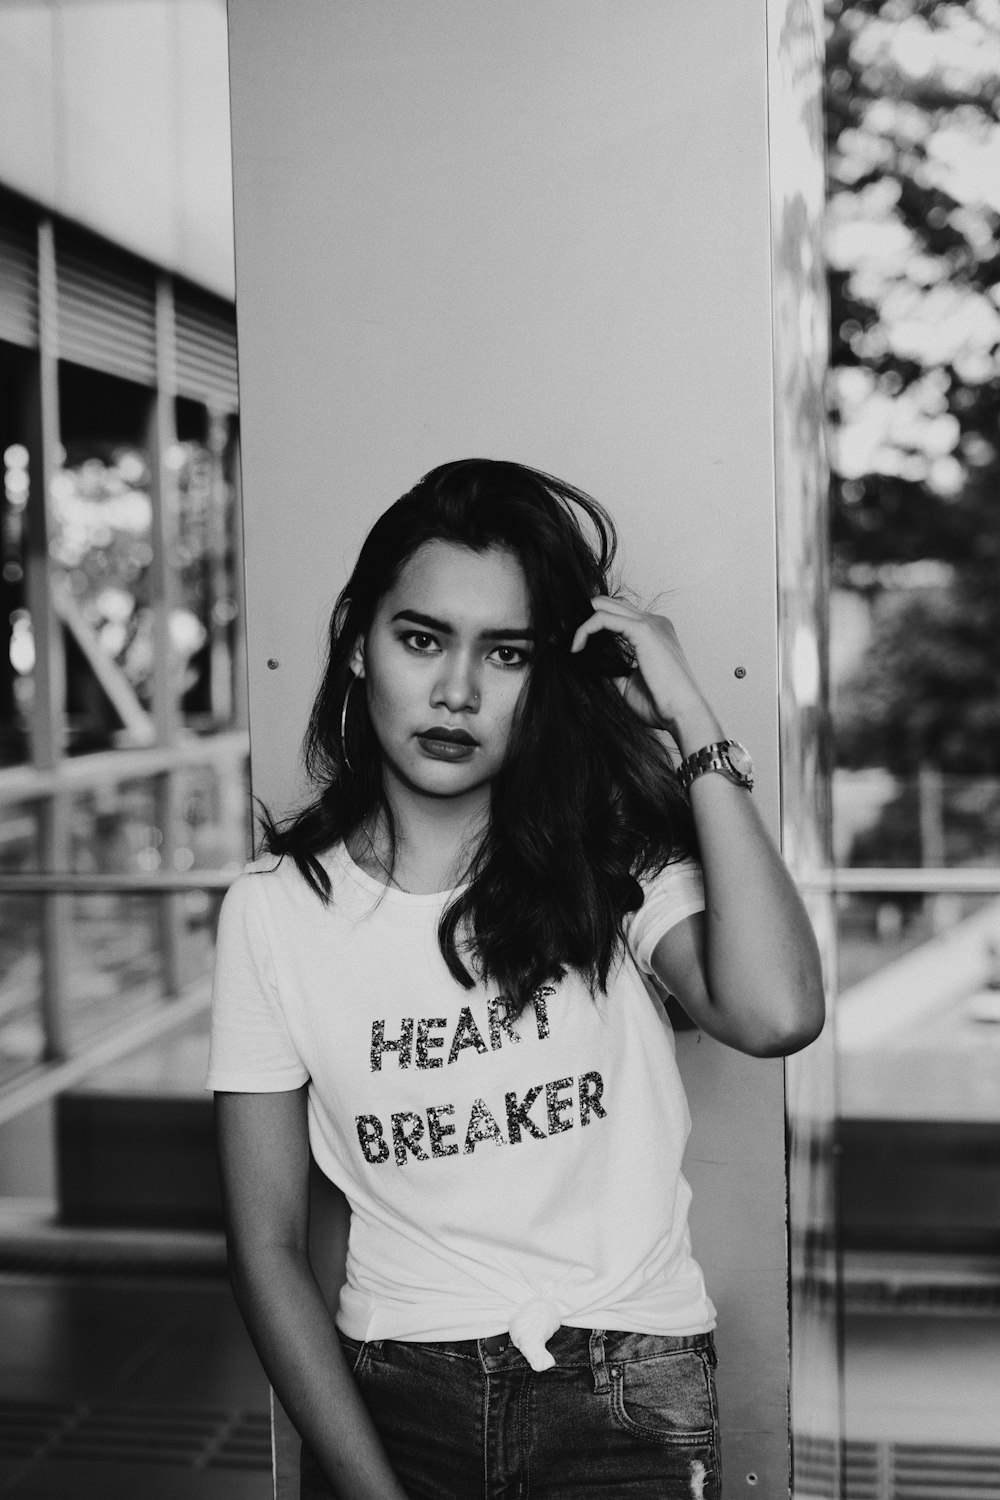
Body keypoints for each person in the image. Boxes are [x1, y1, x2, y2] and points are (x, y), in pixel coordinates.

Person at [209, 458, 825, 1500]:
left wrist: (689, 717)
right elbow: (265, 1244)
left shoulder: (614, 866)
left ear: (549, 678)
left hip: (625, 1391)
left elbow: (775, 1013)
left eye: (506, 654)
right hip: (393, 1391)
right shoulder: (273, 913)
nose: (456, 691)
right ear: (360, 644)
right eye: (420, 639)